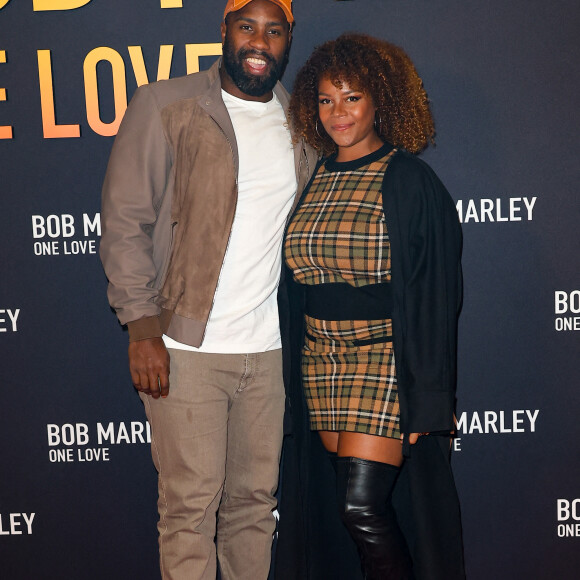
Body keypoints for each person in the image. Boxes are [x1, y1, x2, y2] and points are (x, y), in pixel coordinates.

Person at [99, 1, 317, 579]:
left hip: (268, 354)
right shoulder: (166, 104)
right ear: (224, 31)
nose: (258, 41)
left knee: (253, 508)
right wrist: (142, 328)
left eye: (274, 31)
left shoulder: (301, 122)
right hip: (186, 349)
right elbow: (124, 222)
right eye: (247, 26)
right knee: (190, 511)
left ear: (287, 41)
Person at [277, 34, 465, 579]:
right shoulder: (313, 178)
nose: (338, 113)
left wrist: (428, 396)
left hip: (382, 364)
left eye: (352, 98)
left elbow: (436, 295)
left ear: (380, 99)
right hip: (320, 364)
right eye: (326, 100)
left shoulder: (408, 181)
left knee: (361, 508)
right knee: (345, 520)